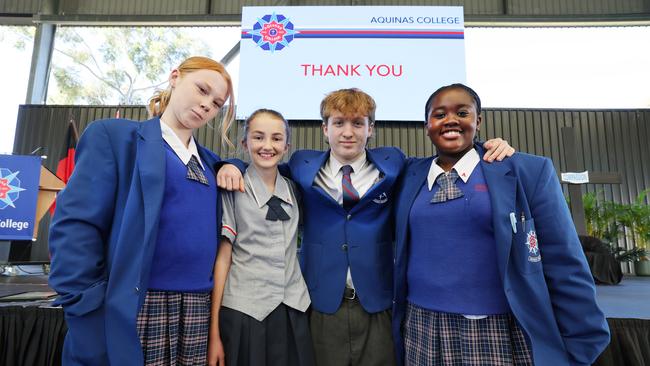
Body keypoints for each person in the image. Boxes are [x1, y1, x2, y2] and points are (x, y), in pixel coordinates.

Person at [217, 88, 514, 366]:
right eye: (339, 123)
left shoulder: (394, 163)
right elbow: (263, 164)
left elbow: (441, 161)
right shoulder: (302, 165)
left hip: (378, 300)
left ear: (370, 129)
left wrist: (486, 146)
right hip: (322, 300)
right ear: (325, 129)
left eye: (358, 123)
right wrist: (229, 163)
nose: (348, 132)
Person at [392, 83, 610, 366]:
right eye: (439, 114)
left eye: (462, 112)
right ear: (426, 125)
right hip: (421, 328)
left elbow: (564, 260)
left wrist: (583, 341)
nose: (450, 121)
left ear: (478, 121)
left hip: (495, 330)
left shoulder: (525, 171)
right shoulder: (408, 174)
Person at [48, 56, 238, 366]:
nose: (207, 105)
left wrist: (233, 163)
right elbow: (75, 227)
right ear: (175, 77)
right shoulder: (115, 137)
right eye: (202, 89)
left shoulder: (211, 161)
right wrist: (84, 304)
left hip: (196, 307)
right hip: (136, 302)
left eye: (217, 103)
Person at [207, 109, 314, 366]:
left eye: (277, 139)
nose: (267, 146)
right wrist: (214, 335)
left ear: (287, 146)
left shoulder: (295, 189)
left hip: (293, 309)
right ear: (245, 143)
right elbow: (223, 259)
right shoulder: (231, 188)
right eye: (258, 137)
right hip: (245, 311)